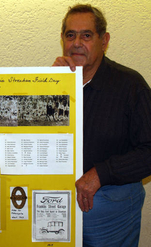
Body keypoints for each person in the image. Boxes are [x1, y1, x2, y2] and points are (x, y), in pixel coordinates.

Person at [53, 4, 151, 246]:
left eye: (86, 35)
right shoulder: (51, 82)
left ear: (104, 40)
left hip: (110, 211)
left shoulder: (131, 85)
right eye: (70, 35)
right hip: (57, 206)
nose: (76, 42)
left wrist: (101, 173)